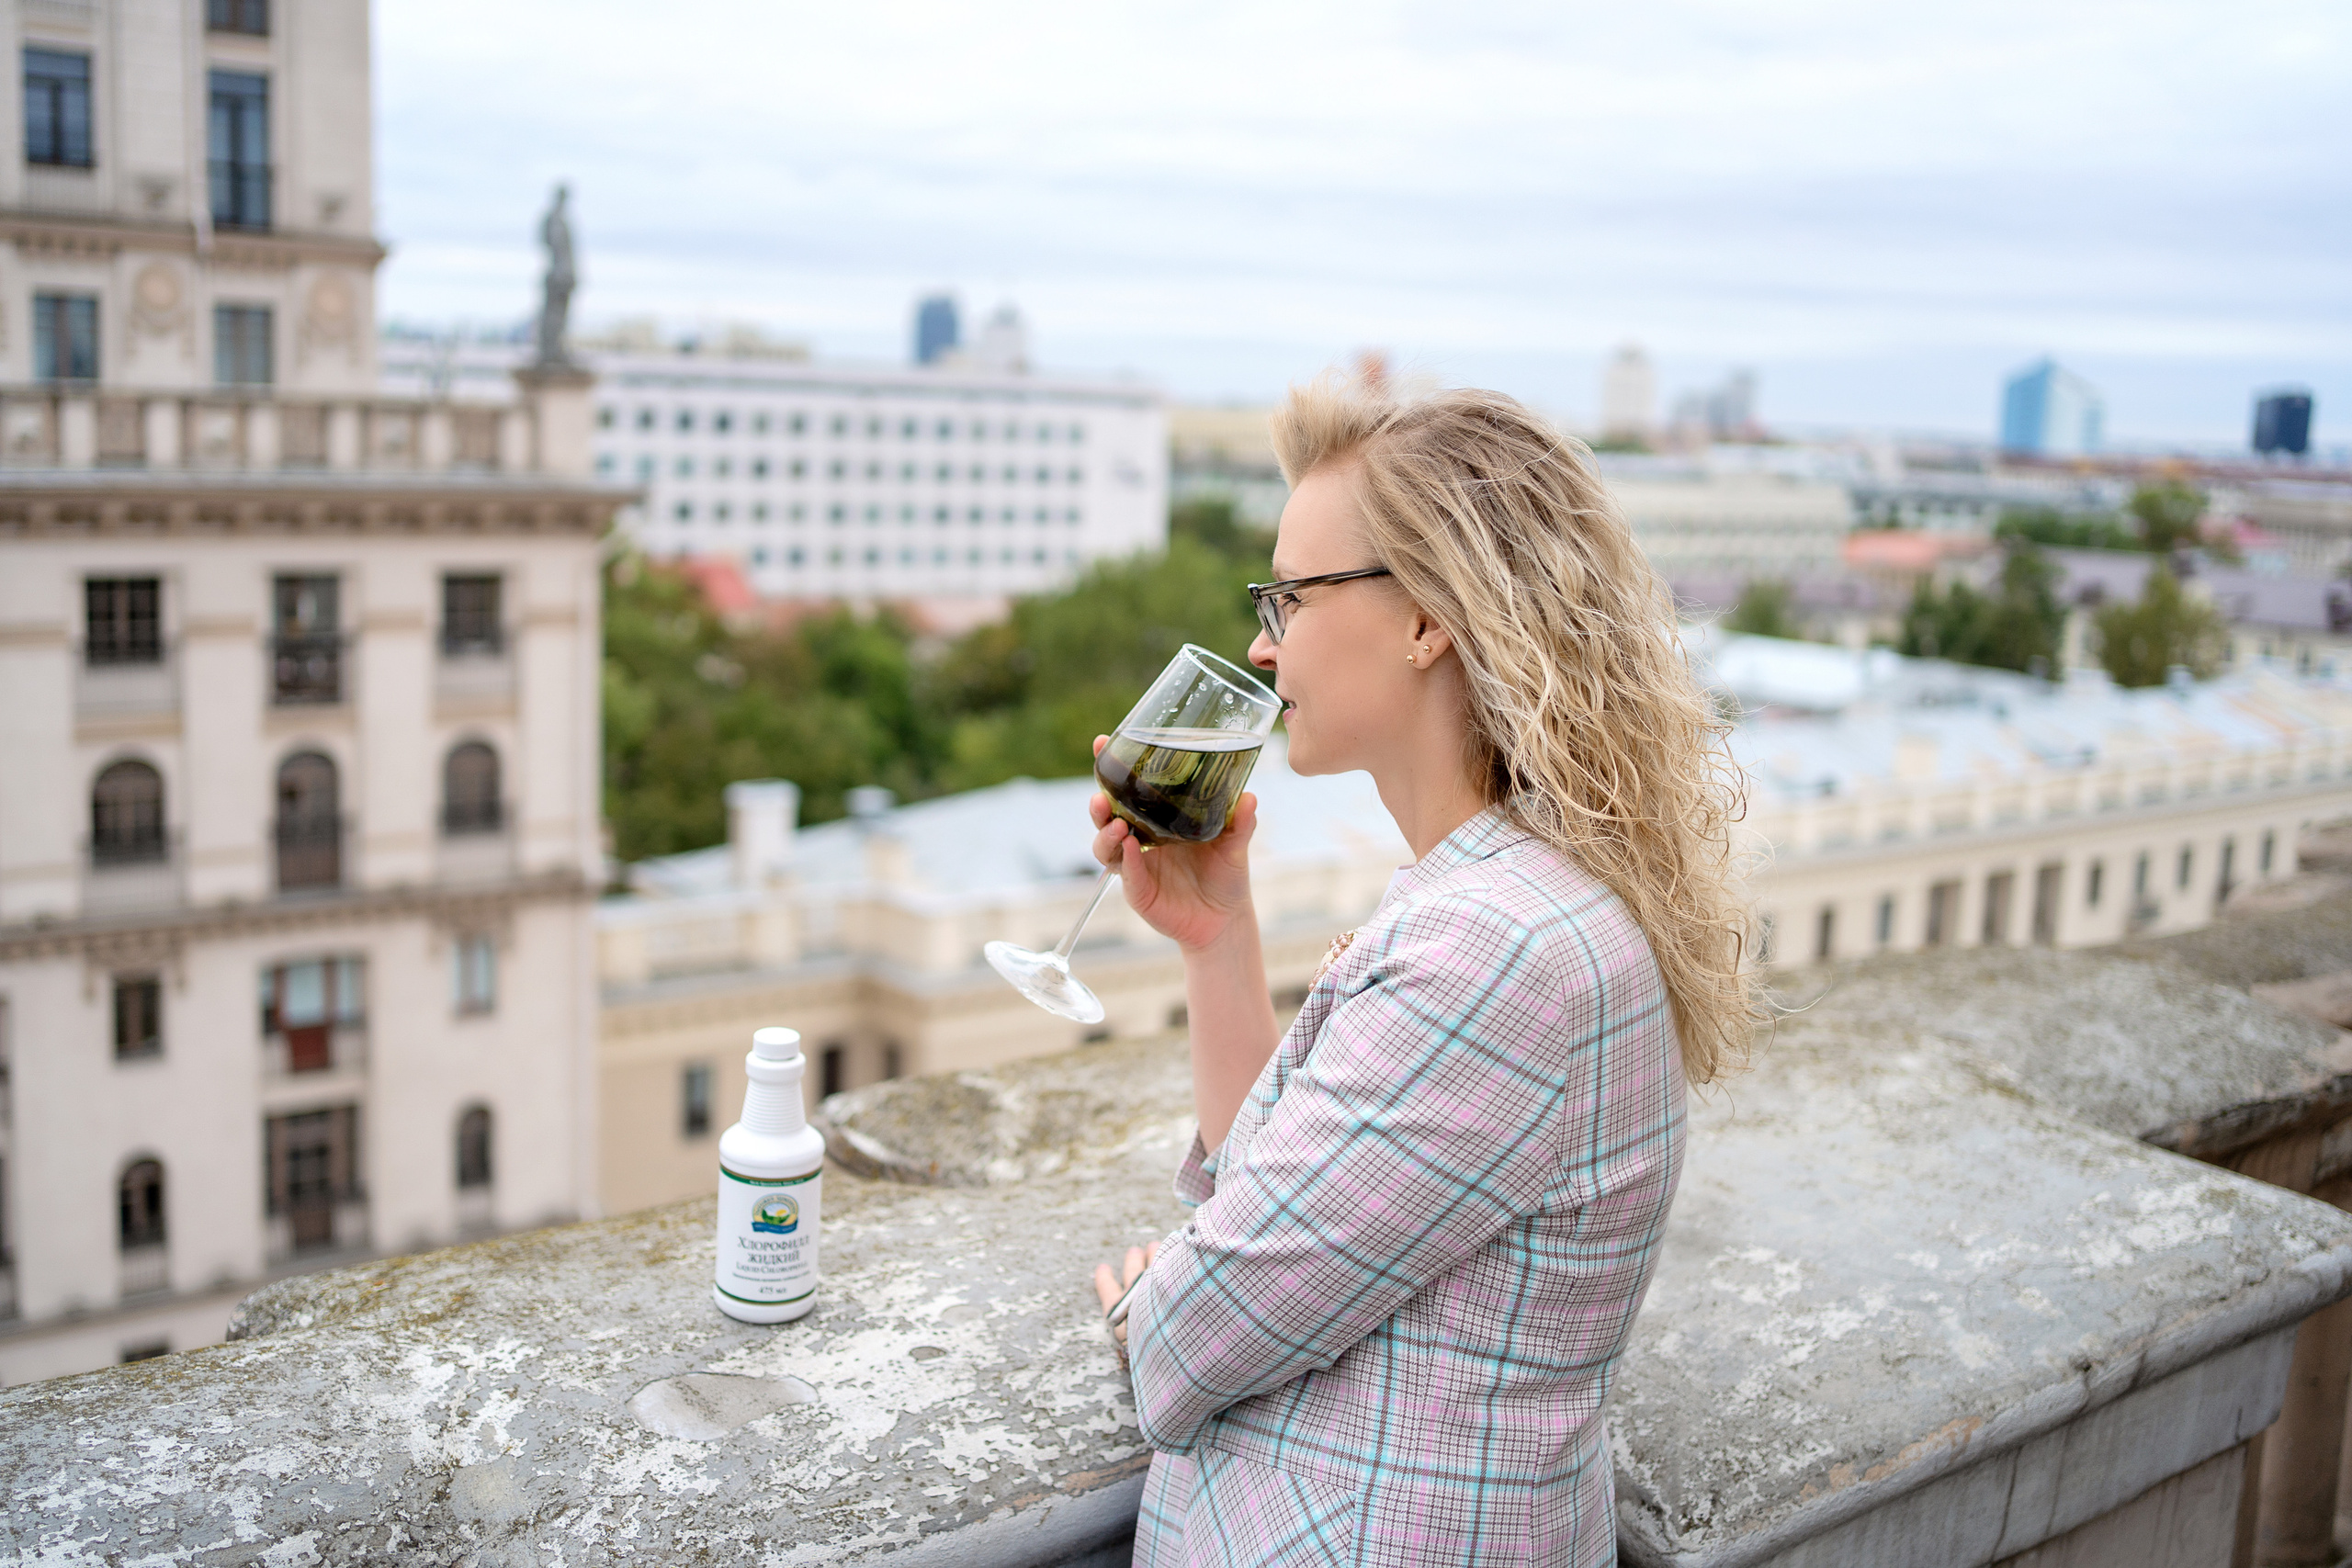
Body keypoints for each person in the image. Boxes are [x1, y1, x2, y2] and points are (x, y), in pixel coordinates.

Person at [1086, 377, 1753, 1566]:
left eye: (1291, 595)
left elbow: (1191, 1341)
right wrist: (1217, 933)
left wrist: (1154, 1298)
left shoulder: (1490, 954)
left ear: (1427, 618)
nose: (1259, 639)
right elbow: (1301, 1198)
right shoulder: (1514, 897)